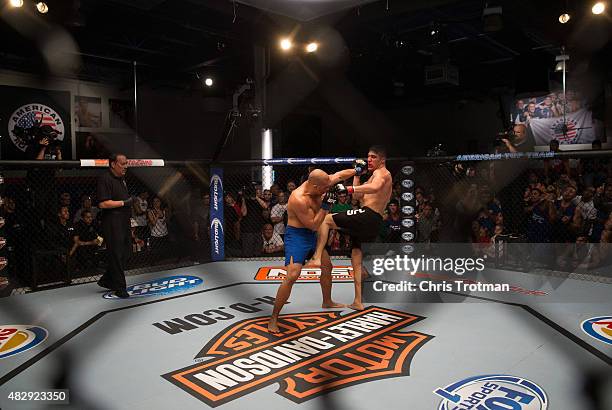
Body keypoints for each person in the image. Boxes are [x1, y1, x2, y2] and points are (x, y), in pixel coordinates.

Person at [267, 166, 358, 333]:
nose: (327, 189)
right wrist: (325, 205)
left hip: (312, 235)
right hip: (297, 236)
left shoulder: (322, 182)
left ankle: (327, 301)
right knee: (292, 275)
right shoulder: (298, 199)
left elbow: (339, 175)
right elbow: (314, 224)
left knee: (327, 266)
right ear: (315, 187)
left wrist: (357, 170)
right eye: (325, 188)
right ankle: (273, 318)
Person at [307, 146, 392, 310]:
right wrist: (357, 176)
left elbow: (374, 188)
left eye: (373, 157)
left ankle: (317, 256)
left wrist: (348, 188)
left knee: (325, 219)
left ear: (382, 160)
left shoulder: (383, 174)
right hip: (370, 220)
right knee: (356, 258)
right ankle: (358, 301)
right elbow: (358, 196)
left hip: (368, 215)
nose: (369, 160)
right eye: (368, 157)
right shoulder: (373, 176)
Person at [97, 153, 132, 298]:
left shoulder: (121, 179)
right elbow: (103, 203)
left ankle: (107, 280)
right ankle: (120, 288)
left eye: (126, 163)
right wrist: (124, 203)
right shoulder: (105, 179)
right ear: (113, 164)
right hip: (112, 221)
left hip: (123, 220)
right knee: (117, 254)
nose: (125, 166)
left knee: (127, 253)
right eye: (122, 164)